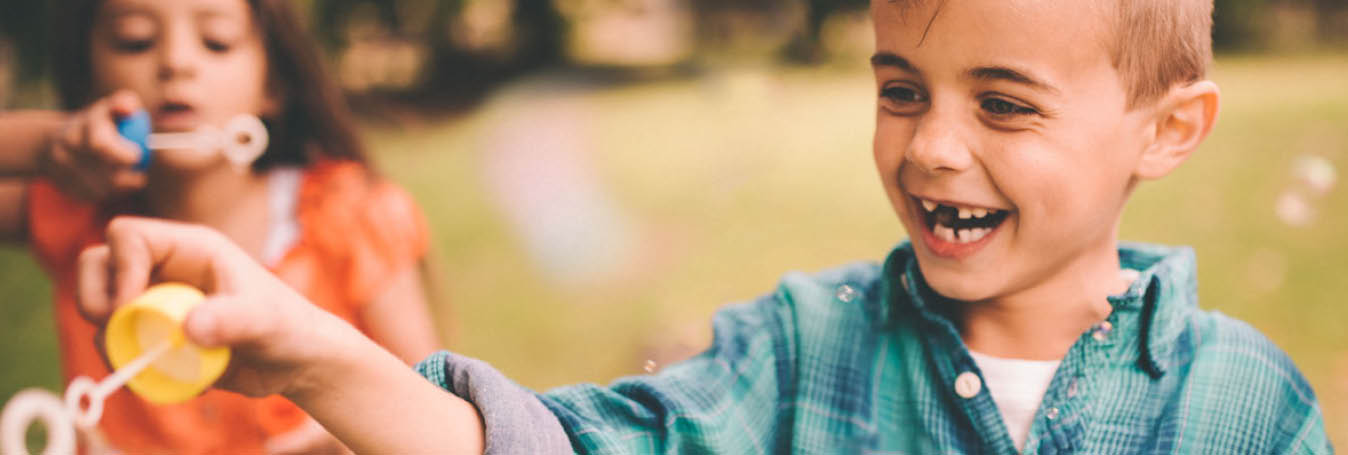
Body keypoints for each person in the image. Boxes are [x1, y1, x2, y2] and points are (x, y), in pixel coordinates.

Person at [72, 0, 1333, 453]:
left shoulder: (1243, 407)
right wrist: (308, 351)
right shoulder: (797, 353)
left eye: (1003, 102)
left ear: (1169, 131)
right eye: (901, 87)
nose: (932, 144)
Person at [0, 0, 440, 452]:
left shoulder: (352, 215)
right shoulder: (74, 214)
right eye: (136, 40)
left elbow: (434, 413)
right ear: (87, 74)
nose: (176, 62)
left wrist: (339, 438)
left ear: (273, 83)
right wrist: (41, 143)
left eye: (216, 42)